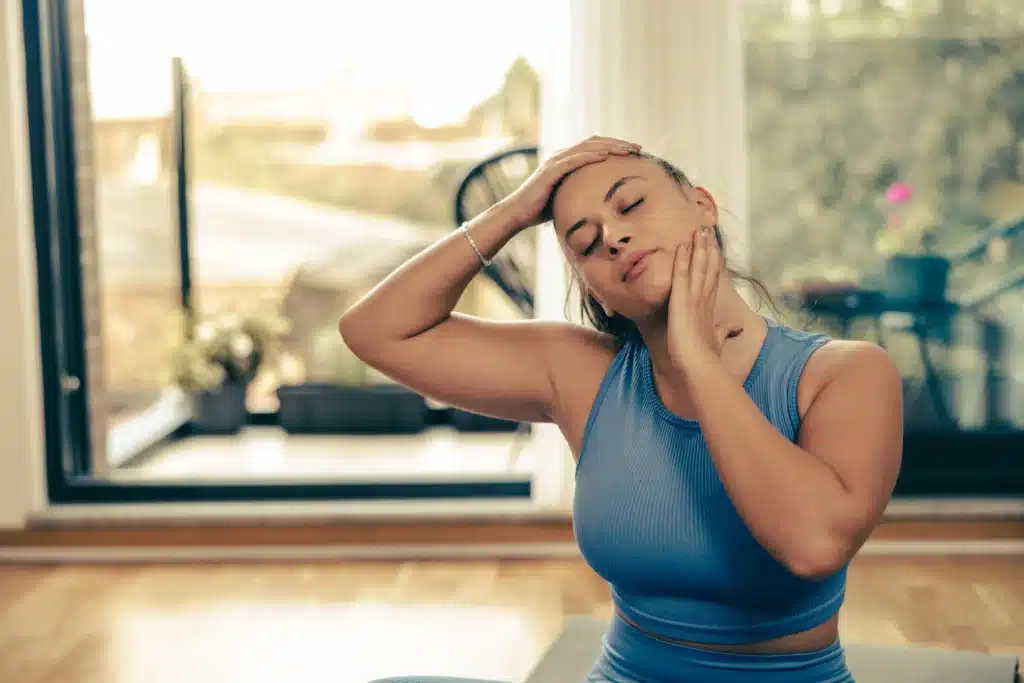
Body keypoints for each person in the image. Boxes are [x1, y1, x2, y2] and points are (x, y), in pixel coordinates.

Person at [340, 136, 904, 683]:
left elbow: (813, 546)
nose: (612, 236)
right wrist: (513, 212)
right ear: (597, 291)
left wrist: (698, 364)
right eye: (585, 244)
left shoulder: (843, 374)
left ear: (702, 206)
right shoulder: (582, 374)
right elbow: (376, 332)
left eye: (631, 203)